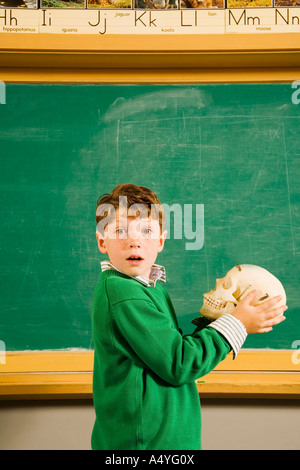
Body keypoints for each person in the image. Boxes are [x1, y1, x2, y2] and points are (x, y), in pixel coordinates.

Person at [91, 183, 287, 450]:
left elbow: (170, 351)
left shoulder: (149, 288)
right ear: (103, 242)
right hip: (147, 446)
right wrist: (238, 323)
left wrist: (218, 319)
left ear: (161, 240)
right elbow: (179, 363)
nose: (134, 240)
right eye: (120, 230)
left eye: (147, 230)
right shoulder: (125, 293)